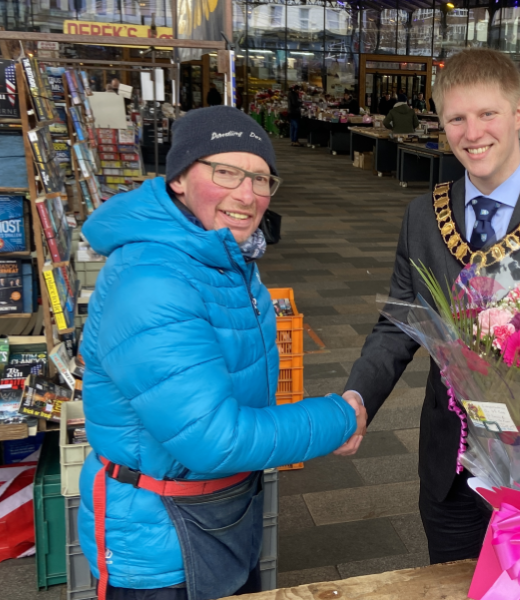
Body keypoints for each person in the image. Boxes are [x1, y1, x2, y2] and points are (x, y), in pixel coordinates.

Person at [340, 48, 520, 564]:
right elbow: (398, 324)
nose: (473, 134)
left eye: (487, 114)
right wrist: (358, 396)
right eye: (457, 118)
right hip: (450, 464)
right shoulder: (423, 216)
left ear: (519, 113)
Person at [77, 106, 366, 600]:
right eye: (225, 172)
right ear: (179, 180)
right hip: (160, 542)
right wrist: (340, 418)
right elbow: (213, 440)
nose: (247, 195)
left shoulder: (221, 255)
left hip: (216, 513)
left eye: (260, 178)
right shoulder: (153, 281)